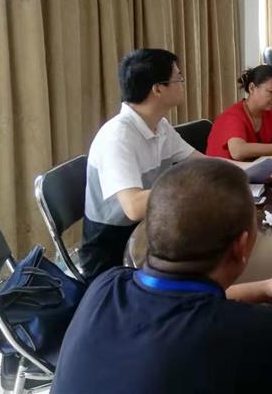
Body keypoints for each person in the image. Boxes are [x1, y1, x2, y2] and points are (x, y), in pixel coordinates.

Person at [53, 159, 272, 393]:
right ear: (242, 246)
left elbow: (176, 307)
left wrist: (265, 288)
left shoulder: (105, 286)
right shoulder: (256, 333)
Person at [79, 49, 202, 279]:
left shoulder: (160, 126)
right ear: (158, 89)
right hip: (111, 253)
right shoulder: (117, 137)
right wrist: (189, 187)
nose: (183, 84)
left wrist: (252, 171)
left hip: (150, 232)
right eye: (178, 78)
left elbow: (203, 164)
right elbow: (134, 207)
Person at [206, 65, 272, 160]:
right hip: (223, 173)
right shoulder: (233, 116)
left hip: (253, 170)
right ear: (252, 88)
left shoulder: (270, 113)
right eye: (271, 92)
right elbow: (238, 151)